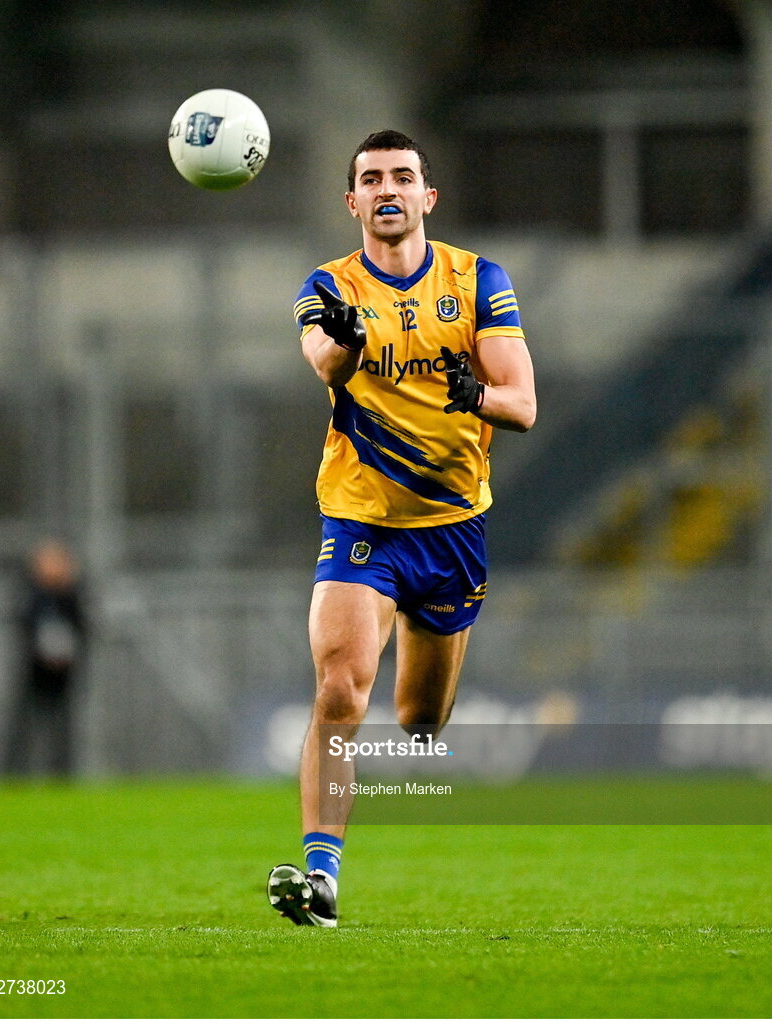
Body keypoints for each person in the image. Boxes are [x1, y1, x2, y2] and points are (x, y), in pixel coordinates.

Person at [267, 130, 536, 926]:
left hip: (452, 528)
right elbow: (322, 359)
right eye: (372, 179)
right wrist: (349, 341)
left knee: (421, 720)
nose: (389, 189)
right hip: (363, 522)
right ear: (352, 202)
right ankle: (321, 883)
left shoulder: (478, 280)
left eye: (403, 177)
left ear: (427, 197)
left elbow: (520, 403)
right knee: (339, 690)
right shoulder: (326, 285)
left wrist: (473, 395)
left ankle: (418, 722)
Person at [4, 539, 86, 776]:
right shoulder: (32, 595)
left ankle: (61, 774)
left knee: (62, 725)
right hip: (35, 668)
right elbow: (24, 625)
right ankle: (14, 774)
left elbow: (82, 626)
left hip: (64, 669)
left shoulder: (70, 595)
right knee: (26, 724)